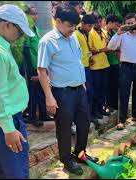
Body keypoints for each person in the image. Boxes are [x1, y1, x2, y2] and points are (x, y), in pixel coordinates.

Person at [37, 5, 98, 176]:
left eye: (74, 26)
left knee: (84, 123)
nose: (73, 29)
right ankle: (66, 159)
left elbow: (77, 61)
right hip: (62, 93)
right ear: (58, 21)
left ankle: (80, 154)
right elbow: (42, 71)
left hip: (80, 90)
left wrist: (83, 83)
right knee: (64, 128)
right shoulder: (48, 41)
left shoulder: (73, 38)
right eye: (70, 25)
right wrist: (49, 97)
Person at [0, 4, 35, 178]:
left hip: (6, 122)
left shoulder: (3, 48)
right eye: (19, 31)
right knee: (16, 173)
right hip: (7, 123)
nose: (20, 36)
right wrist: (9, 129)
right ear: (7, 25)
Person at [107, 13, 136, 130]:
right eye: (128, 23)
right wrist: (118, 34)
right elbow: (111, 47)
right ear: (125, 24)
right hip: (126, 67)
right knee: (124, 93)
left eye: (132, 23)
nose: (130, 26)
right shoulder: (122, 35)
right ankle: (122, 120)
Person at [74, 14, 99, 127]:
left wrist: (89, 59)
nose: (90, 28)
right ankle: (84, 118)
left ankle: (89, 115)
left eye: (91, 26)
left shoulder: (86, 34)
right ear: (82, 23)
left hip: (87, 66)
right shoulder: (76, 35)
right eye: (89, 26)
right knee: (84, 93)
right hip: (80, 68)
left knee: (90, 92)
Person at [88, 11, 111, 119]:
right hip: (95, 66)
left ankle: (101, 108)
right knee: (96, 89)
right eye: (97, 22)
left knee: (104, 88)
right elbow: (89, 51)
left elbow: (107, 47)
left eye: (101, 21)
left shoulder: (104, 32)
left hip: (105, 64)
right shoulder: (90, 33)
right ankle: (95, 111)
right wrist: (102, 50)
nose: (100, 24)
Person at [103, 14, 120, 112]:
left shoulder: (113, 32)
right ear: (110, 23)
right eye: (115, 24)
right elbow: (108, 47)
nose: (116, 26)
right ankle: (108, 105)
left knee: (115, 85)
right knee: (108, 86)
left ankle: (114, 105)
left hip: (115, 62)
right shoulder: (103, 33)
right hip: (107, 63)